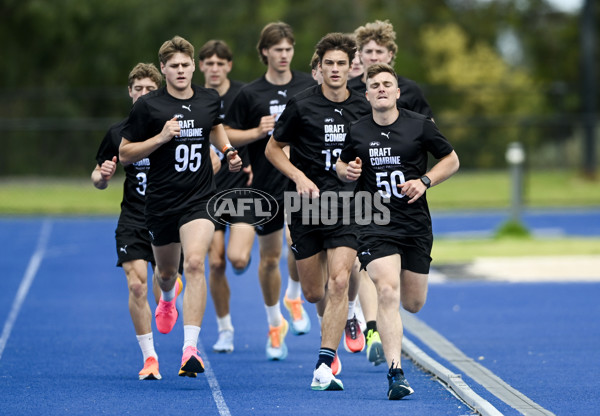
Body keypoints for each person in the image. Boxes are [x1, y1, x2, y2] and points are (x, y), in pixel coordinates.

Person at [119, 36, 242, 378]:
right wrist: (160, 137)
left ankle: (190, 349)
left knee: (194, 263)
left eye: (186, 65)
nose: (181, 71)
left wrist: (228, 151)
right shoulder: (149, 106)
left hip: (199, 198)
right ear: (164, 69)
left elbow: (215, 127)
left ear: (193, 66)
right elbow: (125, 154)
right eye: (174, 66)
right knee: (166, 273)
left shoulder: (207, 98)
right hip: (161, 202)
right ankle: (168, 298)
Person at [336, 63, 459, 399]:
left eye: (386, 84)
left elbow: (451, 159)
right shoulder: (358, 130)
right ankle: (396, 373)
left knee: (414, 302)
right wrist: (347, 171)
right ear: (367, 93)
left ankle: (393, 352)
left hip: (414, 223)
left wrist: (425, 181)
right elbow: (342, 164)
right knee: (387, 291)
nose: (381, 89)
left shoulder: (419, 125)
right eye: (374, 85)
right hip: (374, 220)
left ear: (397, 91)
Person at [265, 32, 372, 391]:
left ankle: (325, 360)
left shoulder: (364, 106)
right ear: (320, 66)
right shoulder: (300, 105)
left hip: (349, 203)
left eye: (343, 63)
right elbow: (273, 149)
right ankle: (331, 328)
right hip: (306, 204)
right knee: (314, 291)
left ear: (351, 67)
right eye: (330, 63)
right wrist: (297, 176)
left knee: (340, 280)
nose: (337, 69)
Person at [225, 22, 315, 360]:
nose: (283, 55)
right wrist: (255, 131)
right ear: (265, 52)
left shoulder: (308, 86)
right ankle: (274, 322)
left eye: (288, 49)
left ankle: (293, 295)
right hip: (262, 185)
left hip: (299, 182)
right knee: (268, 260)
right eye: (277, 49)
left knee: (298, 243)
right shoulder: (250, 94)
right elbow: (226, 135)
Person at [91, 62, 185, 381]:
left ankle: (169, 294)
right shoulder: (118, 132)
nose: (144, 94)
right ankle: (150, 358)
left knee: (165, 280)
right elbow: (98, 175)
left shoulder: (173, 129)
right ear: (130, 93)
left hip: (166, 217)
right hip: (132, 218)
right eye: (138, 89)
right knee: (136, 284)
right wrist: (102, 177)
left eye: (149, 89)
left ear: (158, 92)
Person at [197, 39, 255, 354]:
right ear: (201, 66)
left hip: (242, 187)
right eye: (209, 63)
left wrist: (257, 167)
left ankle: (243, 253)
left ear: (229, 66)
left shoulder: (244, 95)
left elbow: (264, 135)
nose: (215, 68)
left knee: (237, 259)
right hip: (207, 190)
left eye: (221, 63)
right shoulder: (193, 98)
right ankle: (225, 329)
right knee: (215, 263)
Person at [350, 20, 434, 119]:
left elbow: (429, 127)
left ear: (390, 55)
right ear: (360, 55)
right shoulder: (348, 89)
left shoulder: (409, 89)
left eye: (379, 52)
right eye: (368, 51)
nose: (373, 57)